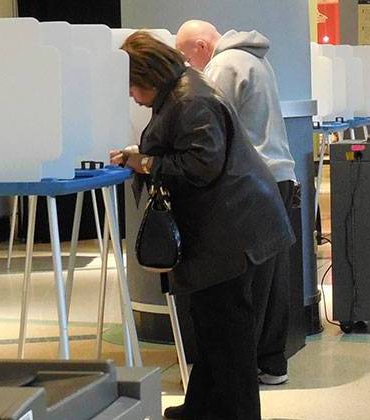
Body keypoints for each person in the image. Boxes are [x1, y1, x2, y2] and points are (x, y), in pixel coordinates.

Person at [111, 31, 295, 420]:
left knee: (229, 336)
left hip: (231, 232)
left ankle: (237, 414)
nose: (131, 96)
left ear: (147, 75)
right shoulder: (185, 91)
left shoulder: (190, 99)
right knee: (214, 328)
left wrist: (143, 163)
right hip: (230, 226)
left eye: (131, 86)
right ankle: (201, 408)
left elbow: (200, 166)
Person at [176, 20, 296, 385]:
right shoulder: (257, 60)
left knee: (246, 289)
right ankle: (272, 363)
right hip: (279, 176)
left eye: (185, 58)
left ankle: (239, 374)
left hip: (253, 182)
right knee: (273, 283)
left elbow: (212, 125)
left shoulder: (223, 66)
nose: (188, 68)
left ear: (200, 46)